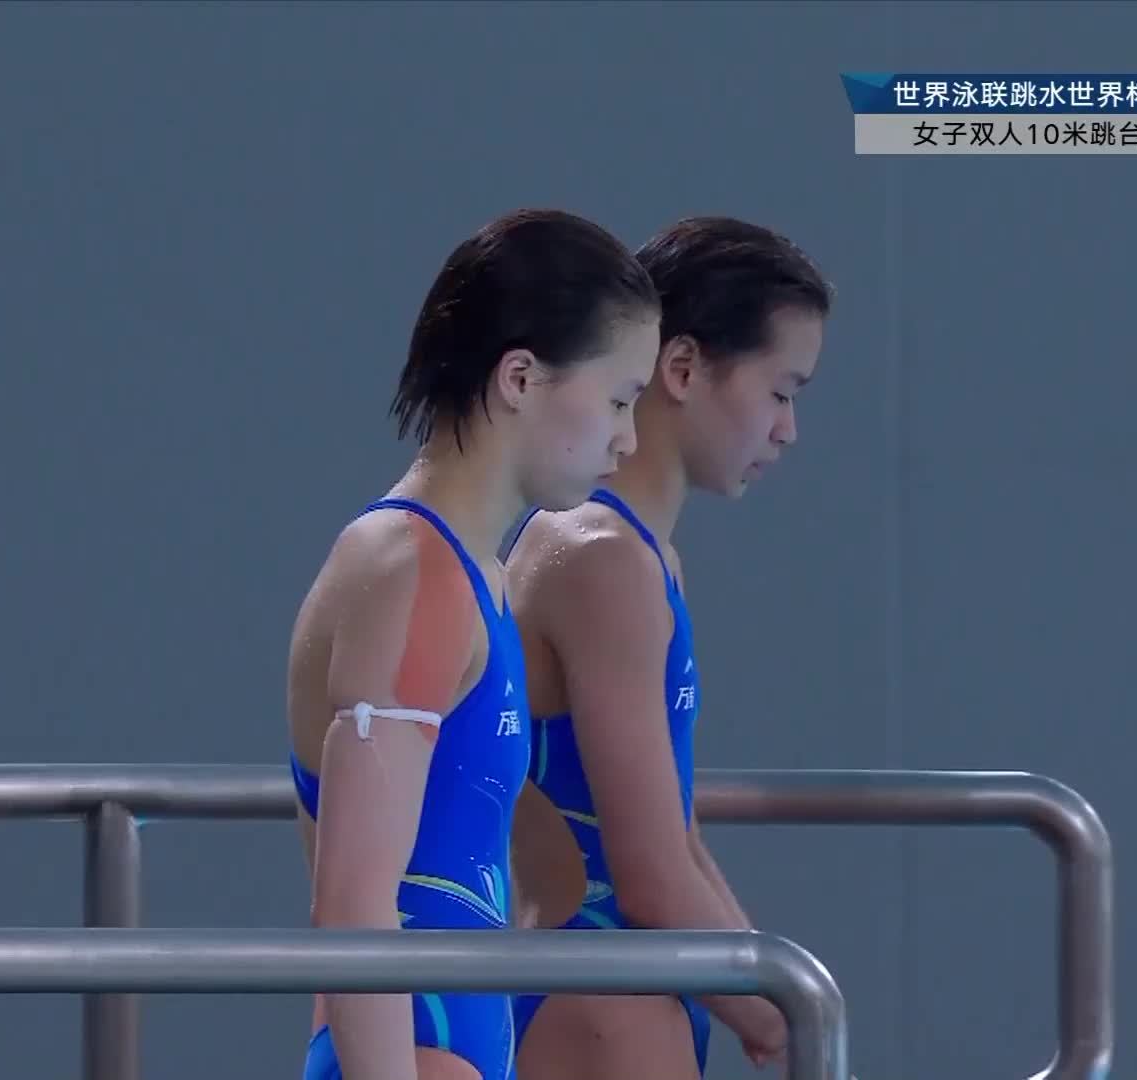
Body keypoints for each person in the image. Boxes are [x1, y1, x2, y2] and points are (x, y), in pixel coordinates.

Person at [285, 207, 661, 1080]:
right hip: (412, 1050)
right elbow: (353, 908)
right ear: (520, 377)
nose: (629, 437)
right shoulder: (412, 573)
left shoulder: (472, 572)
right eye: (617, 400)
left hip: (451, 1038)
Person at [505, 216, 833, 1080]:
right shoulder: (601, 557)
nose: (789, 430)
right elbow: (648, 874)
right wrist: (776, 1013)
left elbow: (674, 835)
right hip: (598, 992)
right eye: (781, 392)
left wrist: (769, 991)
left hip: (630, 976)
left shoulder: (640, 556)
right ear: (682, 368)